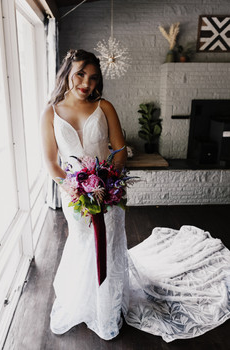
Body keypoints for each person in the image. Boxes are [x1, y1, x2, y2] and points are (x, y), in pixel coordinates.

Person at [41, 49, 230, 342]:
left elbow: (118, 150)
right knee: (82, 246)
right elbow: (52, 162)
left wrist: (110, 182)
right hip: (74, 196)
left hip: (109, 192)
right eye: (80, 74)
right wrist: (74, 189)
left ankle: (107, 308)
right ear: (67, 71)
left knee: (109, 245)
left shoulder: (104, 106)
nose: (86, 83)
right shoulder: (50, 113)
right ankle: (83, 301)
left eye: (93, 78)